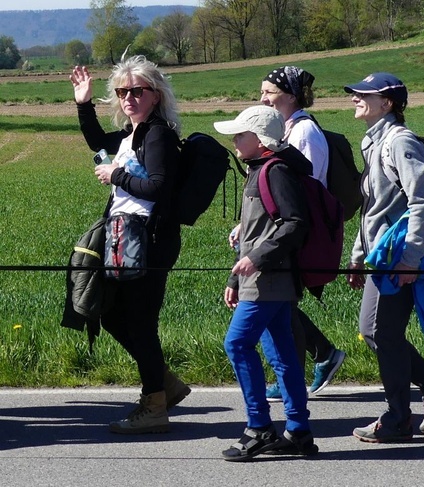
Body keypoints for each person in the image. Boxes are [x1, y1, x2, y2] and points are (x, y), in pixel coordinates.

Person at [69, 55, 190, 434]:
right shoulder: (133, 134)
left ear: (155, 95)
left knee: (139, 321)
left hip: (150, 241)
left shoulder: (158, 134)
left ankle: (154, 403)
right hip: (128, 238)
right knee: (113, 315)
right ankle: (163, 384)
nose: (128, 98)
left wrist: (116, 174)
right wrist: (83, 103)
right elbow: (98, 140)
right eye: (122, 92)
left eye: (137, 91)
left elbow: (156, 186)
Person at [344, 72, 424, 443]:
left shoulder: (400, 142)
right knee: (376, 332)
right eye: (355, 93)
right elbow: (374, 209)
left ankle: (397, 418)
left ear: (388, 103)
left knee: (381, 332)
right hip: (383, 257)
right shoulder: (374, 142)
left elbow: (420, 201)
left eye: (364, 94)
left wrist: (410, 259)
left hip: (399, 258)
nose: (355, 98)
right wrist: (358, 256)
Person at [235, 66, 346, 401]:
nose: (263, 97)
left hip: (295, 233)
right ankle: (313, 360)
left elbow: (301, 189)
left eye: (268, 91)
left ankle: (294, 376)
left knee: (276, 301)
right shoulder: (289, 128)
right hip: (283, 230)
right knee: (279, 303)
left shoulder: (304, 133)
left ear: (291, 94)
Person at [215, 105, 318, 461]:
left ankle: (258, 428)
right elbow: (255, 232)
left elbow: (294, 223)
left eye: (240, 134)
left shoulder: (275, 171)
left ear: (259, 140)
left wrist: (255, 259)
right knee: (282, 354)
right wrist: (235, 276)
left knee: (238, 344)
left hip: (269, 278)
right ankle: (299, 431)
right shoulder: (258, 168)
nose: (234, 139)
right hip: (262, 279)